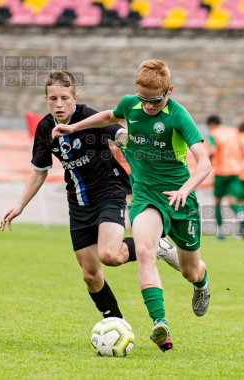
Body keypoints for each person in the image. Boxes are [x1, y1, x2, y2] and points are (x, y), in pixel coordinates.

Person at [52, 59, 212, 352]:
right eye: (143, 100)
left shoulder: (179, 117)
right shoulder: (131, 105)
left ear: (170, 91)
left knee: (190, 270)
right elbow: (108, 117)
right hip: (146, 196)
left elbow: (205, 164)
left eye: (155, 101)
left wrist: (184, 190)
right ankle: (159, 324)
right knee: (144, 251)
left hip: (181, 200)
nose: (148, 106)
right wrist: (72, 127)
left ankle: (201, 282)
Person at [0, 70, 179, 324]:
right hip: (78, 203)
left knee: (110, 255)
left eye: (64, 97)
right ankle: (116, 323)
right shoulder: (45, 128)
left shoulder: (89, 117)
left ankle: (156, 245)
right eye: (52, 98)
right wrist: (19, 205)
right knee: (91, 276)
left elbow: (119, 133)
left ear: (75, 97)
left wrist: (140, 143)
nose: (58, 104)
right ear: (46, 99)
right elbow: (40, 171)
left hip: (109, 193)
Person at [207, 115, 244, 239]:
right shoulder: (234, 132)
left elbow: (213, 151)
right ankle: (242, 217)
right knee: (233, 201)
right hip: (235, 171)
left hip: (221, 172)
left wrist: (207, 162)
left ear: (212, 124)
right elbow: (243, 151)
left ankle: (220, 232)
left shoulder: (214, 133)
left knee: (217, 202)